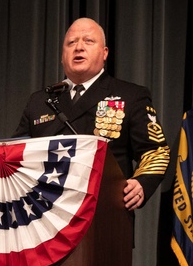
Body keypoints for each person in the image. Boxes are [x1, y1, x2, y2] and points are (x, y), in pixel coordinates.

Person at [15, 17, 171, 210]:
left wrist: (141, 183)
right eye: (71, 43)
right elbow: (15, 153)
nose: (79, 47)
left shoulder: (131, 95)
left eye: (88, 41)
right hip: (45, 214)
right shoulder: (40, 100)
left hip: (104, 213)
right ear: (62, 56)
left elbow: (156, 151)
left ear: (105, 53)